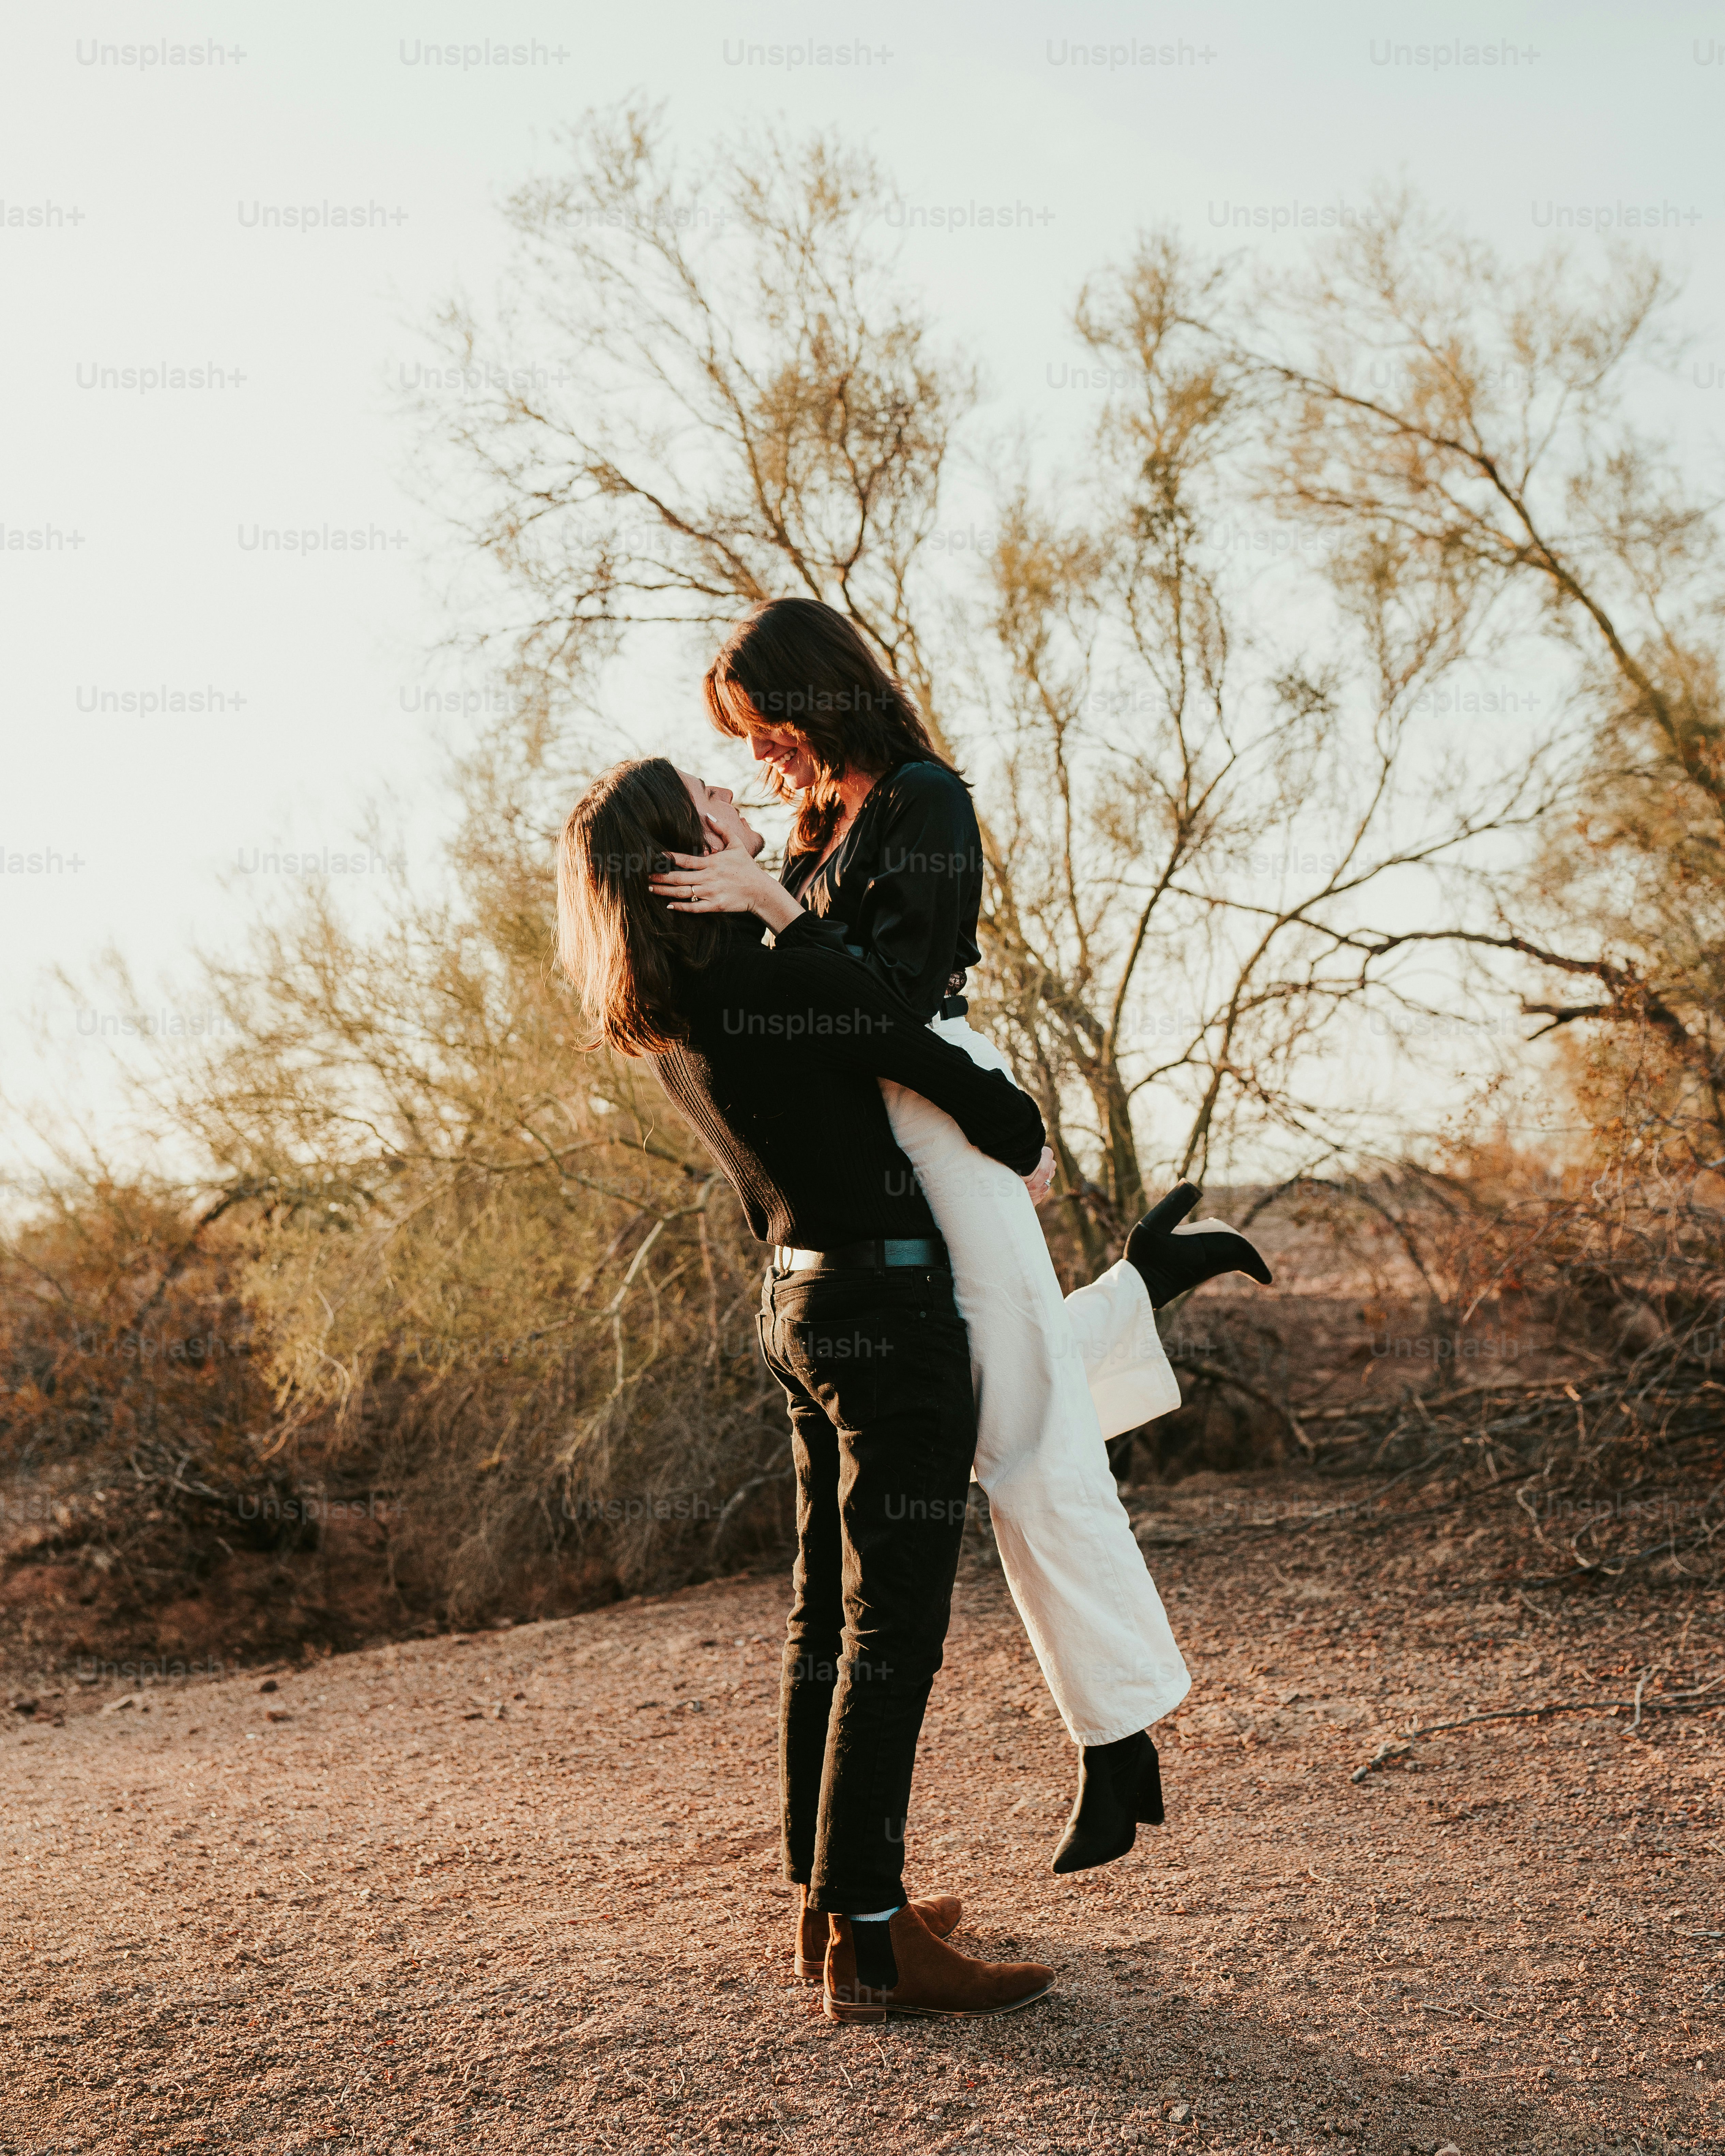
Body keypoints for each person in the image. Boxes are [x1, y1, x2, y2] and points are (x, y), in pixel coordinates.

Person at [648, 597, 1273, 1875]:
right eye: (745, 744)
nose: (764, 758)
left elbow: (887, 1001)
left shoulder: (927, 803)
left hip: (933, 1099)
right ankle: (1151, 1282)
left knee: (1028, 1431)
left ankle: (1119, 1742)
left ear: (816, 698)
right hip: (883, 1129)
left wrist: (774, 901)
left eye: (764, 730)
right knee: (1004, 1395)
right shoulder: (823, 823)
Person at [557, 754, 1057, 2022]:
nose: (739, 801)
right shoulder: (774, 975)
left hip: (796, 1306)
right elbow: (937, 1063)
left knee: (825, 1625)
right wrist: (1020, 1131)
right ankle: (878, 1943)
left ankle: (831, 1907)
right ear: (684, 856)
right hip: (884, 1317)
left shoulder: (675, 1008)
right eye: (710, 801)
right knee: (893, 1635)